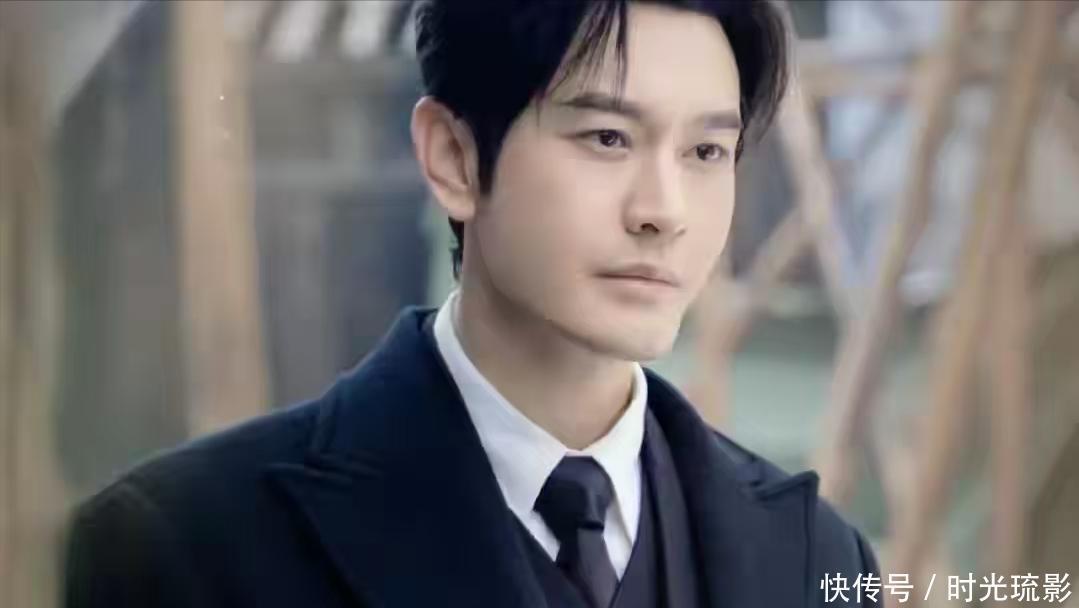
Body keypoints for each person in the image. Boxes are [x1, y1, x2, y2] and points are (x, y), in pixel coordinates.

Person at [64, 1, 879, 607]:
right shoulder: (182, 548)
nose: (662, 211)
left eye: (705, 151)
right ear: (453, 158)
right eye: (606, 138)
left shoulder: (816, 559)